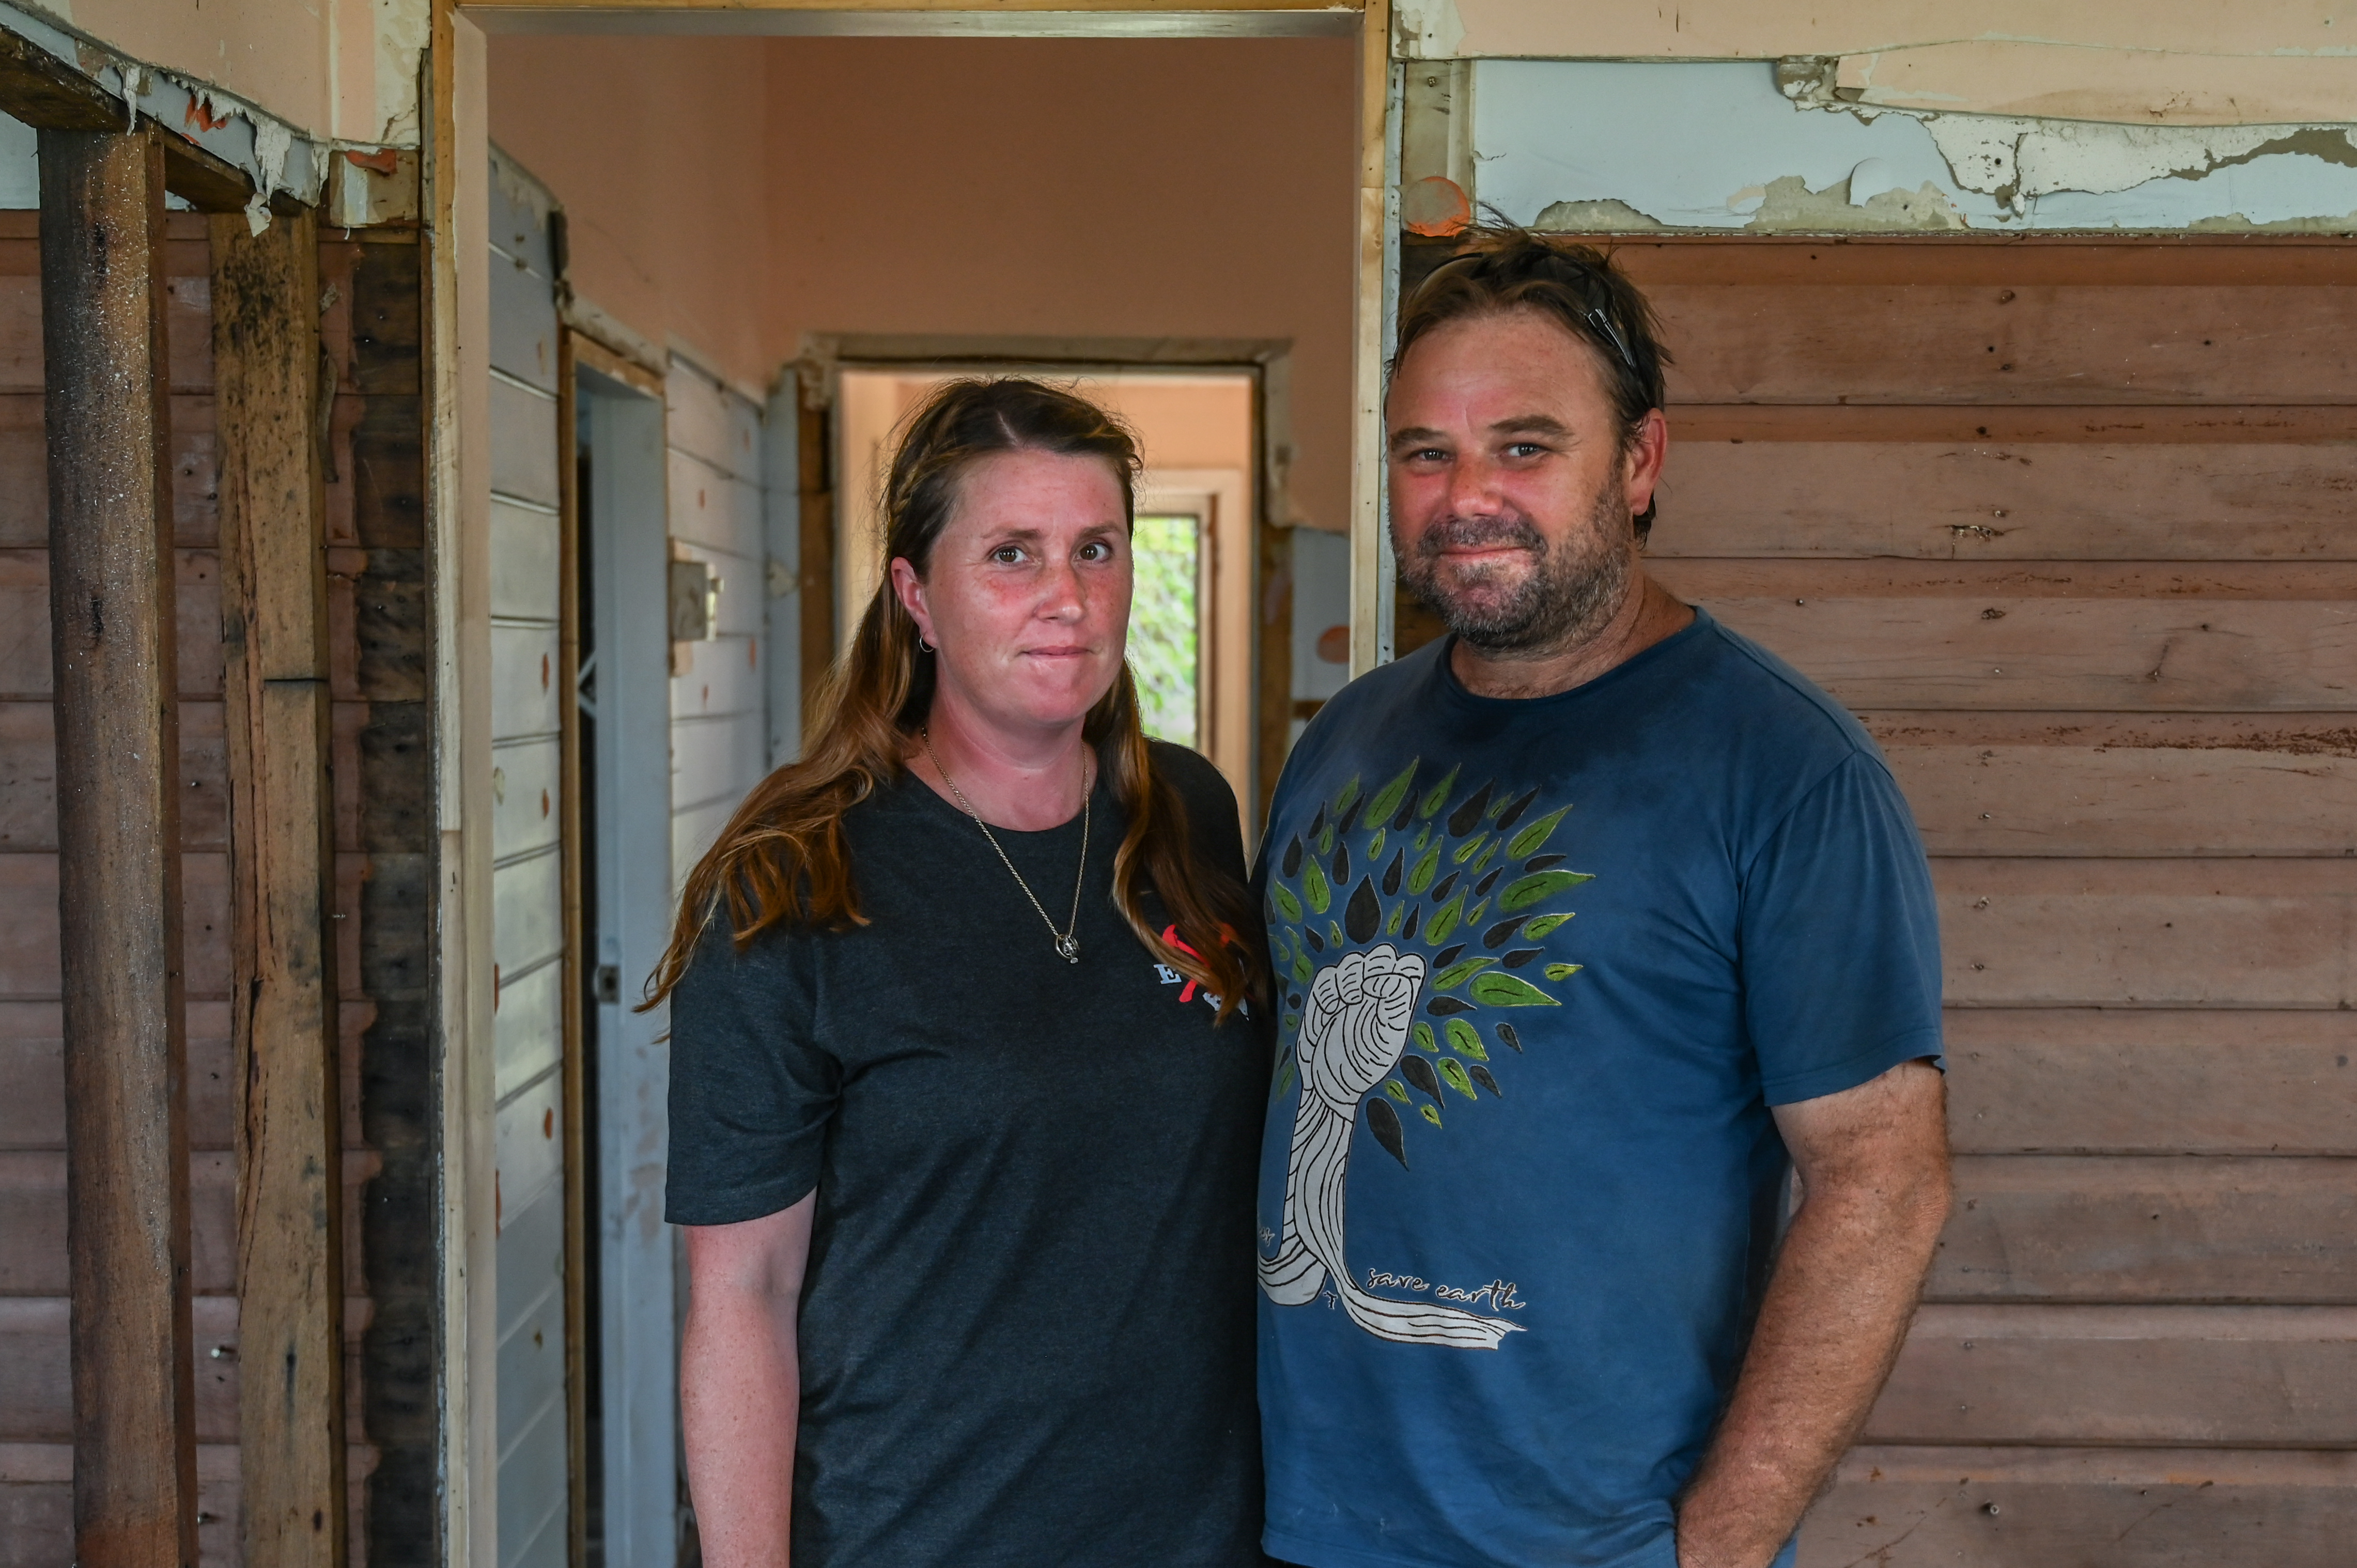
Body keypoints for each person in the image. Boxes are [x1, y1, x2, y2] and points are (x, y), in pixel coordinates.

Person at [1253, 234, 1952, 1568]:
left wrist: (1719, 1545)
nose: (1467, 496)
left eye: (1524, 447)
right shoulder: (1343, 739)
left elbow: (1882, 1182)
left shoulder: (1783, 770)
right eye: (1424, 453)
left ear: (1638, 465)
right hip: (1310, 1523)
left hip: (1592, 1540)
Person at [655, 378, 1274, 1566]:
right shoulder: (793, 887)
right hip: (916, 1528)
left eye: (1097, 549)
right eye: (1010, 554)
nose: (1067, 598)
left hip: (1196, 1534)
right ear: (915, 598)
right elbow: (744, 1300)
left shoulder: (1187, 814)